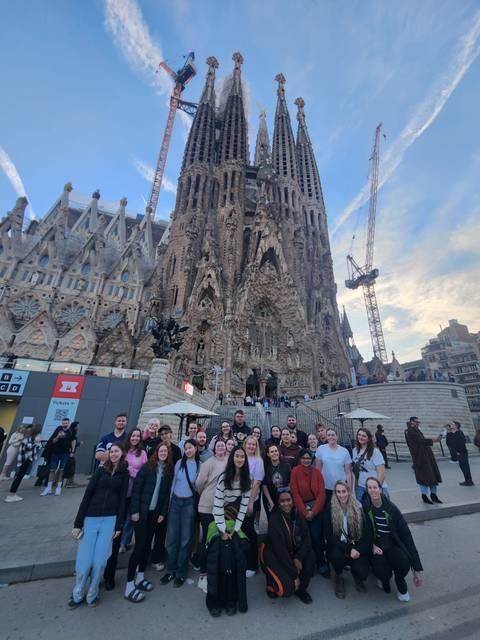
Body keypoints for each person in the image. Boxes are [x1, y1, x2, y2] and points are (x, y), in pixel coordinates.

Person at [68, 443, 129, 608]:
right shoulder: (100, 471)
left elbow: (122, 500)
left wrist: (119, 525)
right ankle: (78, 592)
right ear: (109, 454)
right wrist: (78, 523)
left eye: (117, 451)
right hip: (91, 518)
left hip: (110, 519)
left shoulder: (125, 474)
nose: (114, 454)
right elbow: (87, 496)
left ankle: (93, 593)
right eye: (112, 451)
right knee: (84, 561)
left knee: (100, 561)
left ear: (122, 453)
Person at [124, 443, 173, 602]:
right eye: (161, 451)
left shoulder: (167, 471)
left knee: (146, 547)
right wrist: (135, 511)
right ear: (156, 452)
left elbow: (165, 495)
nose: (163, 453)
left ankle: (140, 576)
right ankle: (129, 585)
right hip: (142, 513)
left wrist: (162, 513)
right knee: (139, 547)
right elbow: (137, 490)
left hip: (154, 514)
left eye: (166, 451)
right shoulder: (147, 468)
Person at [363, 477, 423, 602]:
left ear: (380, 490)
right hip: (377, 545)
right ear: (366, 490)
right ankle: (384, 578)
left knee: (403, 562)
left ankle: (399, 579)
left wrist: (417, 568)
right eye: (369, 488)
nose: (373, 490)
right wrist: (372, 546)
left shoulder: (392, 509)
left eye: (375, 487)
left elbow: (407, 537)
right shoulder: (365, 508)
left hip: (392, 543)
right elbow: (364, 533)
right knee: (381, 571)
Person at [207, 446, 251, 616]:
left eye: (242, 457)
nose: (240, 459)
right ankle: (215, 600)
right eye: (237, 456)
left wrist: (235, 530)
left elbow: (243, 507)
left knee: (235, 560)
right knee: (219, 559)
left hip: (234, 523)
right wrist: (223, 530)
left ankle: (233, 599)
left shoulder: (248, 479)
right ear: (232, 458)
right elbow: (217, 505)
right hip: (219, 521)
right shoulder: (224, 478)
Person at [260, 490, 315, 604]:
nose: (286, 504)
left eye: (288, 500)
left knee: (311, 557)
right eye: (282, 501)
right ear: (278, 503)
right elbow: (280, 551)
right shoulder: (274, 519)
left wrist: (298, 558)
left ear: (292, 501)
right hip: (274, 555)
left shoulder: (298, 514)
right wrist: (294, 575)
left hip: (292, 553)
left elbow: (307, 539)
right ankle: (271, 584)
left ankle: (301, 590)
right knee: (287, 589)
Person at [161, 439, 200, 587]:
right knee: (171, 538)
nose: (188, 450)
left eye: (190, 447)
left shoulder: (199, 466)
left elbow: (199, 486)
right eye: (186, 448)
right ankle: (170, 569)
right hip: (176, 502)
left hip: (189, 503)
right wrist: (169, 504)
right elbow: (173, 483)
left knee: (185, 539)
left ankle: (181, 572)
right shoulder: (179, 463)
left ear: (195, 449)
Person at [324, 480, 371, 598]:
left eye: (344, 491)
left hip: (356, 544)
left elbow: (367, 534)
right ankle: (339, 576)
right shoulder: (330, 508)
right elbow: (329, 536)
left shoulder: (359, 507)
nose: (341, 495)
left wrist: (358, 549)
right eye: (338, 492)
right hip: (339, 545)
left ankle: (357, 576)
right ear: (335, 493)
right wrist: (348, 549)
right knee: (335, 556)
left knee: (363, 572)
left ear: (349, 492)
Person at [195, 439, 228, 593]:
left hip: (224, 506)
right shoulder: (208, 462)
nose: (221, 447)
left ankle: (217, 570)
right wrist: (206, 494)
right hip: (208, 505)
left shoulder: (230, 461)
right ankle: (203, 573)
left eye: (223, 445)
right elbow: (199, 483)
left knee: (220, 538)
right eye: (218, 445)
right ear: (214, 449)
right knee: (207, 539)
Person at [290, 449, 328, 577]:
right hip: (302, 509)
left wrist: (314, 511)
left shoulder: (317, 473)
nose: (306, 460)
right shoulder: (295, 472)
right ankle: (308, 564)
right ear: (300, 459)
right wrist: (305, 512)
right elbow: (295, 494)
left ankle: (321, 562)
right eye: (303, 458)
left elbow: (322, 494)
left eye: (308, 458)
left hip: (316, 508)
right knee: (305, 538)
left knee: (316, 536)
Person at [119, 429, 148, 553]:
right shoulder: (123, 450)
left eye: (138, 436)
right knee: (119, 516)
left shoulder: (142, 453)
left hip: (135, 490)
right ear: (129, 437)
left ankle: (123, 543)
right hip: (120, 489)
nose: (135, 438)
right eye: (133, 436)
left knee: (130, 518)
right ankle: (115, 539)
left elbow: (145, 471)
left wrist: (131, 471)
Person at [404, 417, 442, 504]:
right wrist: (434, 440)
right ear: (411, 422)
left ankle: (433, 495)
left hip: (426, 456)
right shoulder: (411, 431)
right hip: (420, 457)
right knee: (424, 477)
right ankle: (425, 496)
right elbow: (420, 441)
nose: (418, 423)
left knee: (432, 476)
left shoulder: (414, 430)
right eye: (416, 422)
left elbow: (421, 440)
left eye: (418, 422)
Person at [243, 435, 264, 571]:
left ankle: (252, 564)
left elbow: (256, 483)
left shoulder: (258, 461)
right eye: (249, 444)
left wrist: (250, 502)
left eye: (254, 444)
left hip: (251, 499)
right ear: (245, 445)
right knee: (239, 529)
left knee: (249, 530)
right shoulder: (240, 457)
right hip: (238, 499)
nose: (251, 446)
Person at [4, 425, 42, 502]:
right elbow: (28, 448)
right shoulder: (30, 438)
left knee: (19, 476)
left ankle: (12, 494)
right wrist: (36, 443)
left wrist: (37, 444)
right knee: (19, 477)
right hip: (25, 460)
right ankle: (11, 495)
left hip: (25, 459)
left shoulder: (29, 437)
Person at [315, 428, 353, 499]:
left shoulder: (344, 451)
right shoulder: (321, 449)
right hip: (325, 486)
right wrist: (317, 485)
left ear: (337, 436)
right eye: (328, 435)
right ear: (326, 437)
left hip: (341, 487)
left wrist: (349, 489)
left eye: (333, 435)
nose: (331, 437)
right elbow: (318, 470)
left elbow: (348, 472)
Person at [40, 417, 74, 496]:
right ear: (62, 423)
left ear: (68, 423)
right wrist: (58, 436)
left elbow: (72, 441)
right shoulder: (58, 429)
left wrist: (72, 451)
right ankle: (48, 488)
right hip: (56, 452)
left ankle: (58, 488)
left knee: (61, 470)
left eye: (66, 423)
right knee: (52, 469)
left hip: (65, 453)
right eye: (64, 423)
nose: (65, 424)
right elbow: (53, 441)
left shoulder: (70, 431)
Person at [352, 428, 388, 502]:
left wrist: (376, 488)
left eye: (364, 436)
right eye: (359, 435)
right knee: (363, 511)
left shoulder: (375, 452)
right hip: (361, 487)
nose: (360, 437)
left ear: (368, 439)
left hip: (374, 487)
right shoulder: (354, 451)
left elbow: (381, 472)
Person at [262, 443, 291, 517]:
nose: (274, 453)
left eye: (276, 451)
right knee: (273, 520)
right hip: (270, 497)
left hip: (284, 497)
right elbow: (264, 486)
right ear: (268, 454)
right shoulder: (265, 467)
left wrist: (287, 499)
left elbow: (290, 482)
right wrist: (270, 501)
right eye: (272, 452)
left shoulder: (286, 465)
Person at [450, 421, 474, 486]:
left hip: (462, 453)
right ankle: (467, 480)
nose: (451, 425)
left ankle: (469, 481)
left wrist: (458, 451)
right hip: (460, 453)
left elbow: (462, 442)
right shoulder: (455, 433)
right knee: (462, 467)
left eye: (452, 424)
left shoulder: (459, 433)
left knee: (465, 467)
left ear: (456, 426)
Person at [64, 421, 80, 488]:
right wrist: (72, 452)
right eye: (78, 426)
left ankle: (69, 482)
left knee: (69, 466)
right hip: (70, 453)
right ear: (75, 426)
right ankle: (69, 482)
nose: (79, 427)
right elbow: (70, 442)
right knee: (71, 466)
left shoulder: (71, 431)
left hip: (69, 452)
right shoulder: (72, 432)